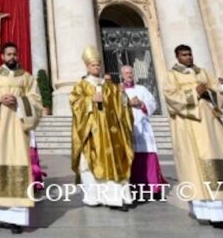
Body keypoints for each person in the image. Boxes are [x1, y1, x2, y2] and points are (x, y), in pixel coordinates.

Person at [164, 44, 223, 229]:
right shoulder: (172, 75)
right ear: (177, 57)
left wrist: (209, 92)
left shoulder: (203, 72)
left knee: (219, 161)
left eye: (190, 54)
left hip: (211, 125)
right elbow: (171, 98)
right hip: (190, 124)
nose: (188, 57)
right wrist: (194, 93)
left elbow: (219, 92)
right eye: (184, 55)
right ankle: (211, 213)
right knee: (198, 167)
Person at [0, 42, 42, 233]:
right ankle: (4, 216)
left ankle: (17, 219)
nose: (12, 57)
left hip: (18, 131)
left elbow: (36, 101)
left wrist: (20, 101)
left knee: (18, 166)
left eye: (14, 54)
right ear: (2, 56)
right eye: (9, 54)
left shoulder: (27, 78)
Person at [70, 46, 133, 209]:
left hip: (111, 133)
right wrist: (90, 100)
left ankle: (115, 199)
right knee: (91, 162)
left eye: (98, 65)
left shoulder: (109, 85)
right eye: (93, 65)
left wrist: (122, 95)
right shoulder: (81, 85)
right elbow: (75, 103)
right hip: (92, 132)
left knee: (113, 161)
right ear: (87, 67)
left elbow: (120, 105)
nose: (96, 68)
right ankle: (94, 197)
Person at [120, 65, 166, 200]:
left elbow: (153, 103)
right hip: (129, 127)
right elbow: (114, 107)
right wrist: (127, 103)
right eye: (126, 73)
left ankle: (154, 188)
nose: (129, 75)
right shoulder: (119, 89)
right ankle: (135, 188)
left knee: (149, 156)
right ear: (121, 75)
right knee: (132, 158)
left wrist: (141, 104)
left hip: (143, 127)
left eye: (130, 72)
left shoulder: (142, 89)